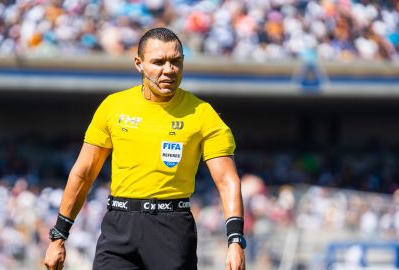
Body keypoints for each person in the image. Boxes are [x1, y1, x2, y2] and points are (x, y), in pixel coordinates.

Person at [43, 27, 246, 270]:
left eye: (176, 61)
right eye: (158, 62)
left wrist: (235, 240)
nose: (168, 70)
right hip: (118, 226)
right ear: (138, 64)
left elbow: (227, 180)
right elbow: (84, 173)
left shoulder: (203, 114)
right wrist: (59, 236)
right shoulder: (113, 107)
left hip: (172, 228)